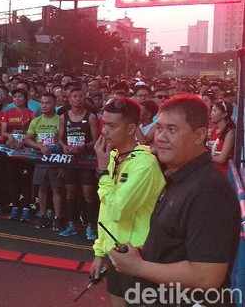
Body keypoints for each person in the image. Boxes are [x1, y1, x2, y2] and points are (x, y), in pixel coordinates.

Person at [111, 95, 240, 306]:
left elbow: (207, 276)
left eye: (172, 130)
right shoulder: (179, 177)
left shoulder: (209, 190)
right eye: (159, 128)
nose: (160, 137)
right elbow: (174, 244)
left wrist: (138, 267)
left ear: (199, 135)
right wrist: (140, 253)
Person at [89, 96, 165, 307]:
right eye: (104, 124)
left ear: (131, 129)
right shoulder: (113, 156)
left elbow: (118, 211)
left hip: (139, 256)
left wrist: (103, 172)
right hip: (117, 255)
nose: (104, 131)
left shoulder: (144, 164)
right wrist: (99, 253)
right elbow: (105, 211)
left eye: (112, 126)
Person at [58, 85, 100, 239]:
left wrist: (83, 147)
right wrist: (64, 147)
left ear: (84, 98)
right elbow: (60, 138)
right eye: (74, 96)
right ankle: (71, 225)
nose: (77, 99)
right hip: (70, 160)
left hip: (86, 161)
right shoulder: (64, 117)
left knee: (88, 193)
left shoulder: (91, 117)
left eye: (80, 96)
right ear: (69, 98)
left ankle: (90, 226)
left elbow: (96, 140)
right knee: (70, 192)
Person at [26, 92, 63, 230]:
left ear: (54, 104)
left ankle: (57, 217)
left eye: (47, 103)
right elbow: (28, 139)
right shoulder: (36, 120)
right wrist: (40, 147)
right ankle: (42, 215)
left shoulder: (60, 120)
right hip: (41, 160)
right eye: (42, 103)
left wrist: (63, 164)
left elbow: (62, 140)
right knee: (41, 188)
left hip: (56, 160)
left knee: (57, 189)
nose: (44, 105)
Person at [1, 88, 35, 221]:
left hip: (26, 151)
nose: (17, 99)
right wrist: (9, 137)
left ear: (25, 99)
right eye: (15, 97)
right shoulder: (8, 113)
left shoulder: (31, 114)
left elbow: (33, 132)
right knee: (12, 178)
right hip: (11, 150)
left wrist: (24, 141)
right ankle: (15, 206)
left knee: (25, 180)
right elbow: (3, 131)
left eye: (20, 97)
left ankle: (26, 207)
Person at [208, 99, 235, 176]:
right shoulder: (213, 130)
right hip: (212, 172)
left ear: (224, 114)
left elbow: (221, 159)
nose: (211, 113)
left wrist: (204, 157)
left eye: (214, 111)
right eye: (211, 110)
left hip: (224, 175)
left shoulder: (230, 132)